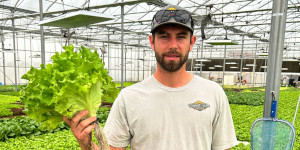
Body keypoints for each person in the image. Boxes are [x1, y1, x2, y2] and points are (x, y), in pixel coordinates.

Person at [63, 5, 238, 150]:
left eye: (181, 37)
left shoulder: (213, 93)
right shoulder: (129, 97)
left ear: (191, 42)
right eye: (164, 36)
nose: (173, 45)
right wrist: (86, 145)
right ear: (152, 41)